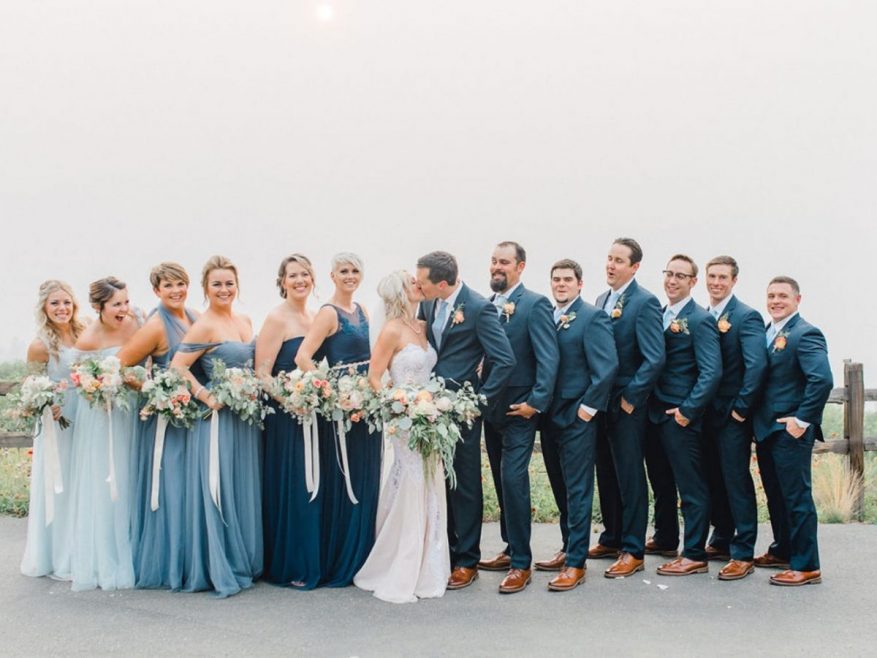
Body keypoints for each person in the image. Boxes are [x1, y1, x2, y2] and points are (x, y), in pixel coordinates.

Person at [416, 251, 515, 591]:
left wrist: (480, 402)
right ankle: (444, 550)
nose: (418, 286)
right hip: (428, 408)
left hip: (463, 409)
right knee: (437, 481)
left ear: (442, 283)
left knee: (465, 483)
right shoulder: (427, 305)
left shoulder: (478, 307)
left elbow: (504, 360)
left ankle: (467, 559)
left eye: (423, 281)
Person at [354, 270, 450, 603]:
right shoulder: (392, 330)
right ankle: (402, 564)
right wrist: (401, 404)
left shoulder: (422, 326)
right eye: (412, 282)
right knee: (411, 481)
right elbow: (375, 377)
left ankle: (429, 561)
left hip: (430, 416)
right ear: (400, 292)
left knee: (428, 484)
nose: (419, 284)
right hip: (406, 419)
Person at [171, 256, 263, 597]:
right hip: (218, 420)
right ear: (206, 289)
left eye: (229, 283)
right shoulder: (204, 325)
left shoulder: (245, 319)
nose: (224, 289)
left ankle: (246, 557)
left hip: (245, 418)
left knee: (241, 484)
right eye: (217, 284)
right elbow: (178, 366)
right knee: (220, 485)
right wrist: (205, 395)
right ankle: (220, 561)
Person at [295, 252, 381, 587]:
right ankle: (340, 558)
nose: (349, 275)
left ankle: (362, 557)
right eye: (343, 271)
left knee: (366, 478)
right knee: (346, 482)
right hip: (342, 410)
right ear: (332, 276)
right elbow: (304, 356)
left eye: (355, 270)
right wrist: (331, 391)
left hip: (366, 406)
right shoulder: (328, 314)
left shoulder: (363, 311)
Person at [477, 241, 558, 594]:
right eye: (494, 261)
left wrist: (536, 403)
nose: (497, 267)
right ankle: (510, 547)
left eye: (505, 262)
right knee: (498, 477)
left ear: (520, 267)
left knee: (513, 479)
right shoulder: (484, 305)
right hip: (491, 408)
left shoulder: (535, 303)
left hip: (520, 409)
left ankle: (522, 564)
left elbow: (548, 357)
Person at [537, 260, 618, 591]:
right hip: (549, 417)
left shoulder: (592, 317)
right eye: (556, 279)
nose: (561, 284)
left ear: (580, 284)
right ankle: (569, 545)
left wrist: (587, 409)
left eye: (567, 280)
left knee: (578, 488)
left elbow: (607, 367)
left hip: (576, 417)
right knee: (559, 486)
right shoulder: (549, 318)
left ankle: (576, 563)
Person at [118, 262, 198, 590]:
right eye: (168, 286)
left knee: (185, 490)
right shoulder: (155, 325)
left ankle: (188, 557)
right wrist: (155, 391)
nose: (176, 290)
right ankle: (166, 562)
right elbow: (122, 366)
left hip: (190, 415)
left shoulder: (192, 317)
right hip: (165, 418)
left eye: (180, 284)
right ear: (156, 291)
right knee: (168, 489)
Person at [591, 238, 666, 579]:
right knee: (605, 471)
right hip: (599, 402)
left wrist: (630, 398)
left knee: (630, 475)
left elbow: (654, 358)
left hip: (627, 404)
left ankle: (633, 548)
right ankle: (612, 536)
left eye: (619, 260)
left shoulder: (646, 302)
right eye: (609, 258)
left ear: (634, 267)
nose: (611, 265)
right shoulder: (600, 300)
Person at [645, 254, 722, 576]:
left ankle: (693, 554)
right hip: (655, 413)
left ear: (693, 282)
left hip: (680, 415)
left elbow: (711, 371)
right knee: (661, 481)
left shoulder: (700, 318)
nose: (672, 280)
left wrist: (688, 411)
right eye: (669, 274)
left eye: (681, 276)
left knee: (691, 486)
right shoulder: (661, 314)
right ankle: (665, 537)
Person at [753, 276, 833, 586]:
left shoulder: (805, 333)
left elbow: (821, 380)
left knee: (796, 497)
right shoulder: (767, 333)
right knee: (776, 496)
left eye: (783, 296)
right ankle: (783, 549)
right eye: (771, 295)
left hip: (790, 432)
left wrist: (802, 420)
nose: (775, 301)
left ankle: (806, 565)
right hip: (766, 430)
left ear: (797, 300)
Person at [69, 276, 141, 591]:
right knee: (109, 479)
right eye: (116, 304)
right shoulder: (88, 340)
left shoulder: (136, 321)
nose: (123, 309)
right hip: (104, 415)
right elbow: (80, 384)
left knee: (134, 476)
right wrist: (101, 386)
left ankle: (139, 548)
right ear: (99, 307)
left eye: (125, 301)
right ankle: (109, 553)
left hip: (133, 407)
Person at [255, 253, 322, 589]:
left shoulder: (316, 316)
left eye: (305, 274)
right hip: (286, 416)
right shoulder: (276, 319)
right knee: (295, 484)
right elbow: (262, 373)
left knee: (316, 486)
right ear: (282, 282)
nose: (300, 281)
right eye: (292, 275)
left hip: (316, 413)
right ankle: (292, 561)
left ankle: (316, 557)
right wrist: (291, 401)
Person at [700, 256, 767, 581]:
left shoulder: (746, 316)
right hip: (705, 415)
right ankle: (723, 537)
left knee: (736, 480)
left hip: (732, 415)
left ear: (734, 281)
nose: (716, 282)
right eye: (711, 276)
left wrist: (741, 408)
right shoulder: (704, 315)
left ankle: (743, 551)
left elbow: (756, 366)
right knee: (714, 478)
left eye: (722, 277)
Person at [20, 280, 87, 580]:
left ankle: (85, 547)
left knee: (83, 482)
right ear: (44, 308)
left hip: (86, 414)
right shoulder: (39, 345)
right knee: (61, 484)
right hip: (58, 420)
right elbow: (31, 386)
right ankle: (59, 553)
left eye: (66, 303)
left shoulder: (84, 333)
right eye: (55, 303)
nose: (62, 308)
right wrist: (47, 405)